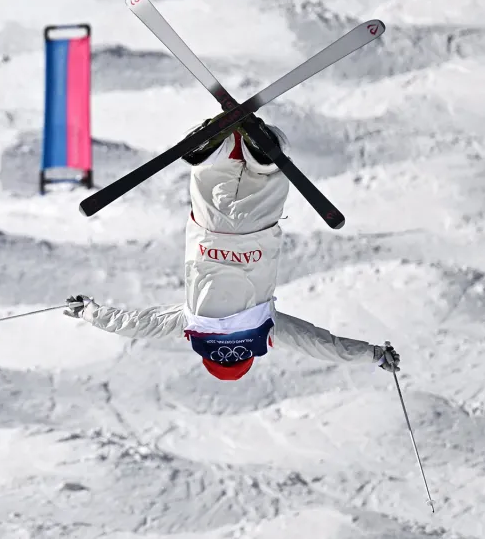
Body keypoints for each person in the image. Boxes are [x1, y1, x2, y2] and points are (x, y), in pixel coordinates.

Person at [64, 114, 400, 380]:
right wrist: (89, 311)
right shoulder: (191, 325)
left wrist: (373, 355)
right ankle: (220, 150)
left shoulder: (265, 331)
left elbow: (321, 345)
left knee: (268, 176)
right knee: (212, 178)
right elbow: (133, 324)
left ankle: (262, 155)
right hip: (210, 229)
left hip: (257, 232)